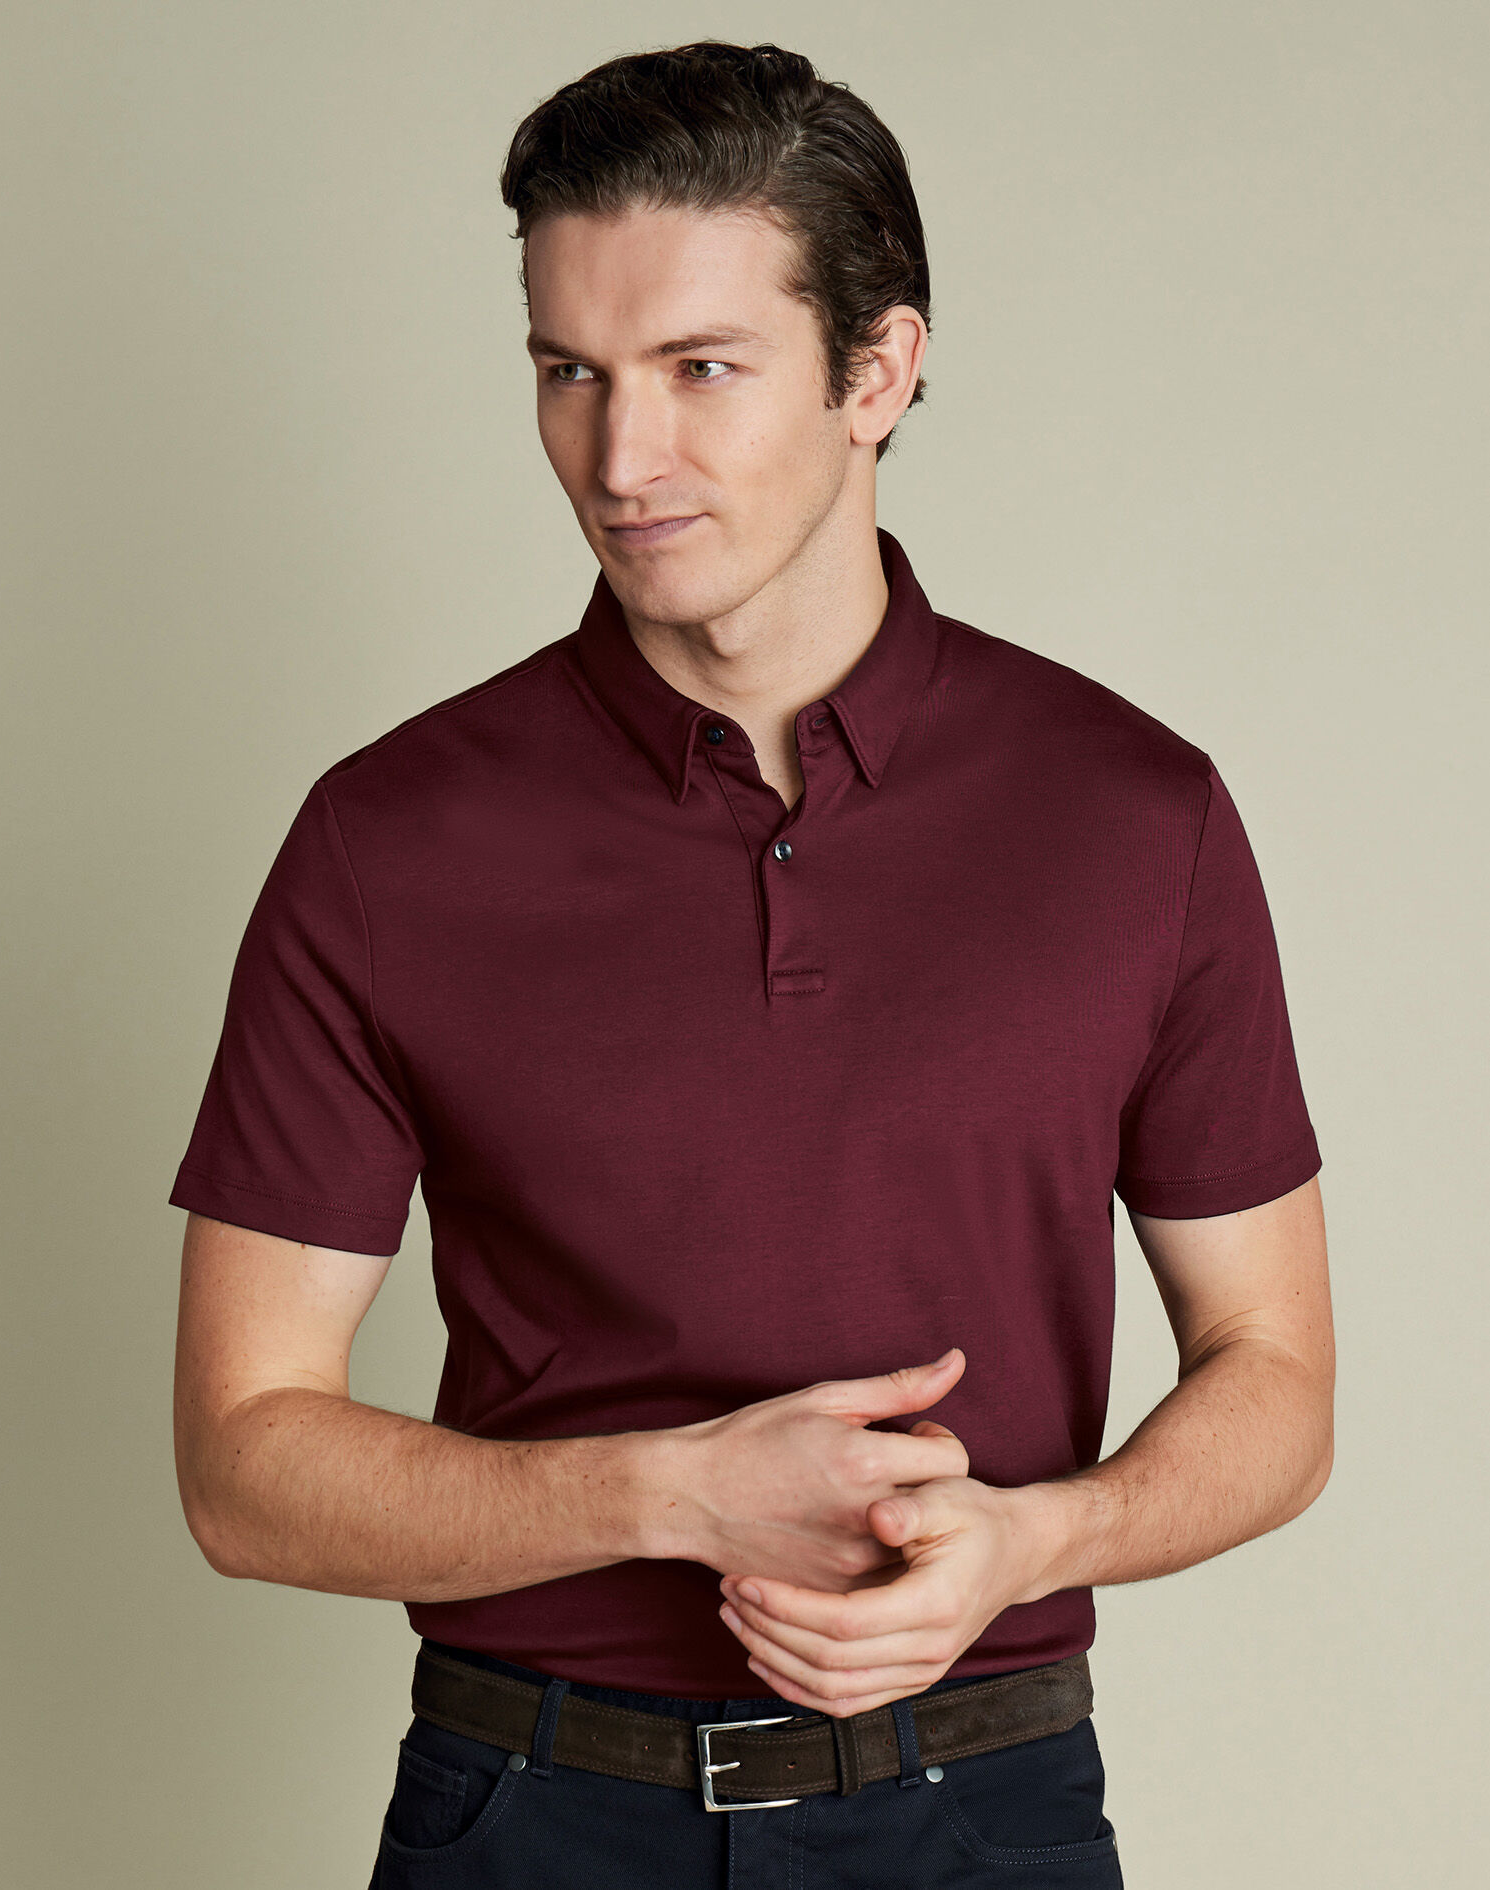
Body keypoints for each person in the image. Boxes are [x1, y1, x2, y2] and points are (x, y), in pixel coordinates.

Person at [169, 39, 1333, 1889]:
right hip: (529, 1809)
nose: (619, 459)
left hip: (983, 1807)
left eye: (700, 367)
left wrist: (1032, 1542)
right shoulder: (386, 837)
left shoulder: (1136, 813)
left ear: (878, 370)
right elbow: (241, 1465)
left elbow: (1274, 1373)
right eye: (569, 371)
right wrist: (666, 1491)